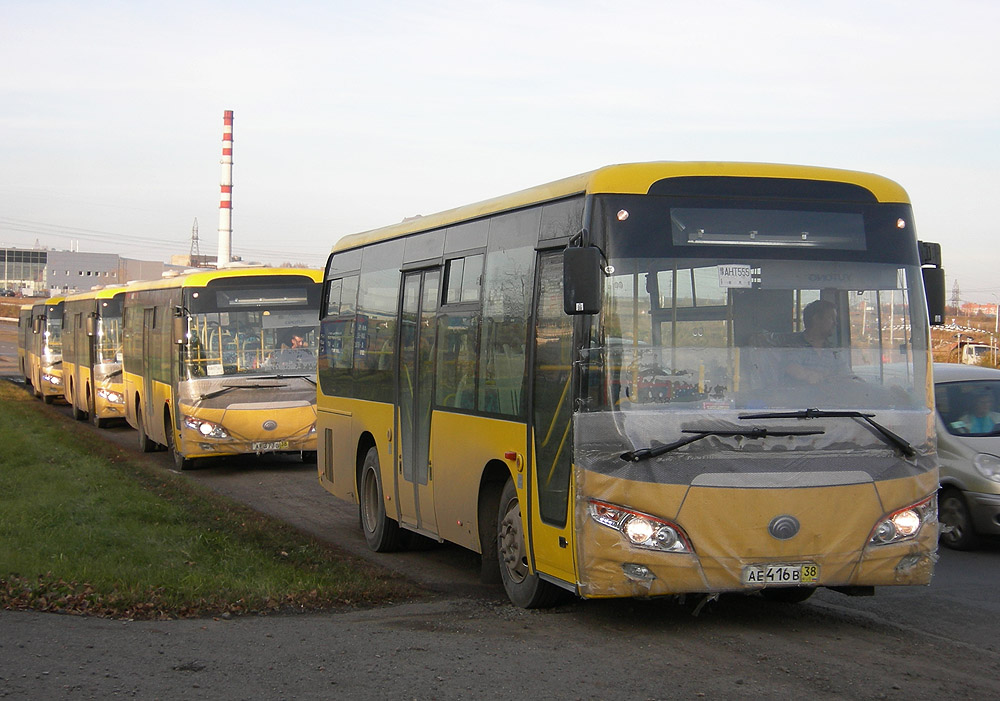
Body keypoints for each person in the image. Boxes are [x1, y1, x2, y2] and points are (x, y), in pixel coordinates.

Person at [784, 299, 850, 385]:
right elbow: (791, 367)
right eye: (831, 318)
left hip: (831, 395)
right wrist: (809, 375)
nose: (835, 323)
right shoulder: (795, 345)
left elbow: (846, 374)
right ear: (816, 319)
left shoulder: (833, 351)